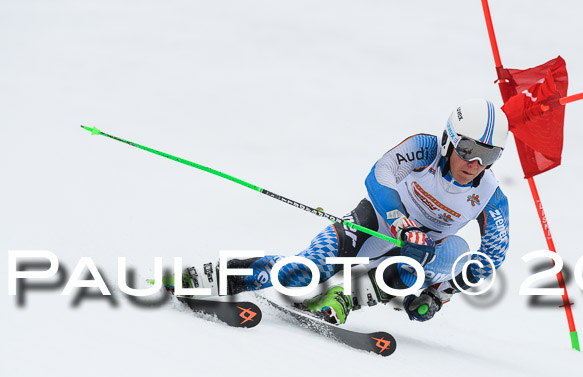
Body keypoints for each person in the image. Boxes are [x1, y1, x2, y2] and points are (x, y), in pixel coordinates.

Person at [183, 98, 510, 325]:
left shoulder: (490, 196)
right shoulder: (425, 149)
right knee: (304, 272)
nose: (475, 163)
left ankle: (343, 299)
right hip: (375, 224)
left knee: (454, 250)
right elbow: (379, 175)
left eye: (488, 155)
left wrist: (439, 295)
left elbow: (492, 257)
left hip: (417, 254)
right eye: (468, 149)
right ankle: (209, 277)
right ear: (450, 140)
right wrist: (401, 223)